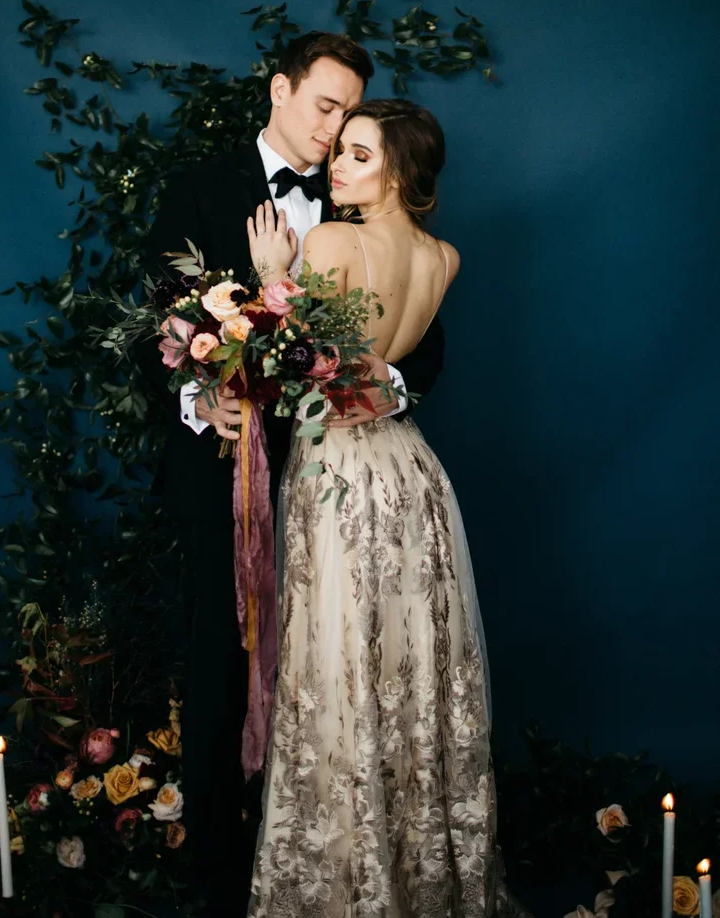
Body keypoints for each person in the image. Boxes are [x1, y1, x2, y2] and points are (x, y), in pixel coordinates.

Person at [142, 36, 446, 917]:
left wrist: (380, 387)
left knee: (338, 670)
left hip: (337, 482)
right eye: (323, 107)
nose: (333, 130)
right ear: (279, 90)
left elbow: (423, 353)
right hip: (224, 477)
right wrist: (205, 403)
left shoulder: (360, 217)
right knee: (220, 672)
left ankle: (322, 861)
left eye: (349, 117)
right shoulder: (199, 186)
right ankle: (219, 879)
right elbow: (151, 328)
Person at [245, 100, 531, 917]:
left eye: (358, 156)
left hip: (338, 473)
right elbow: (379, 372)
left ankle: (349, 879)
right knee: (407, 666)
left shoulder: (329, 242)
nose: (336, 166)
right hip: (412, 476)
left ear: (400, 174)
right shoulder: (445, 259)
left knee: (338, 663)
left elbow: (302, 367)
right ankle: (416, 869)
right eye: (339, 152)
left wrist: (273, 275)